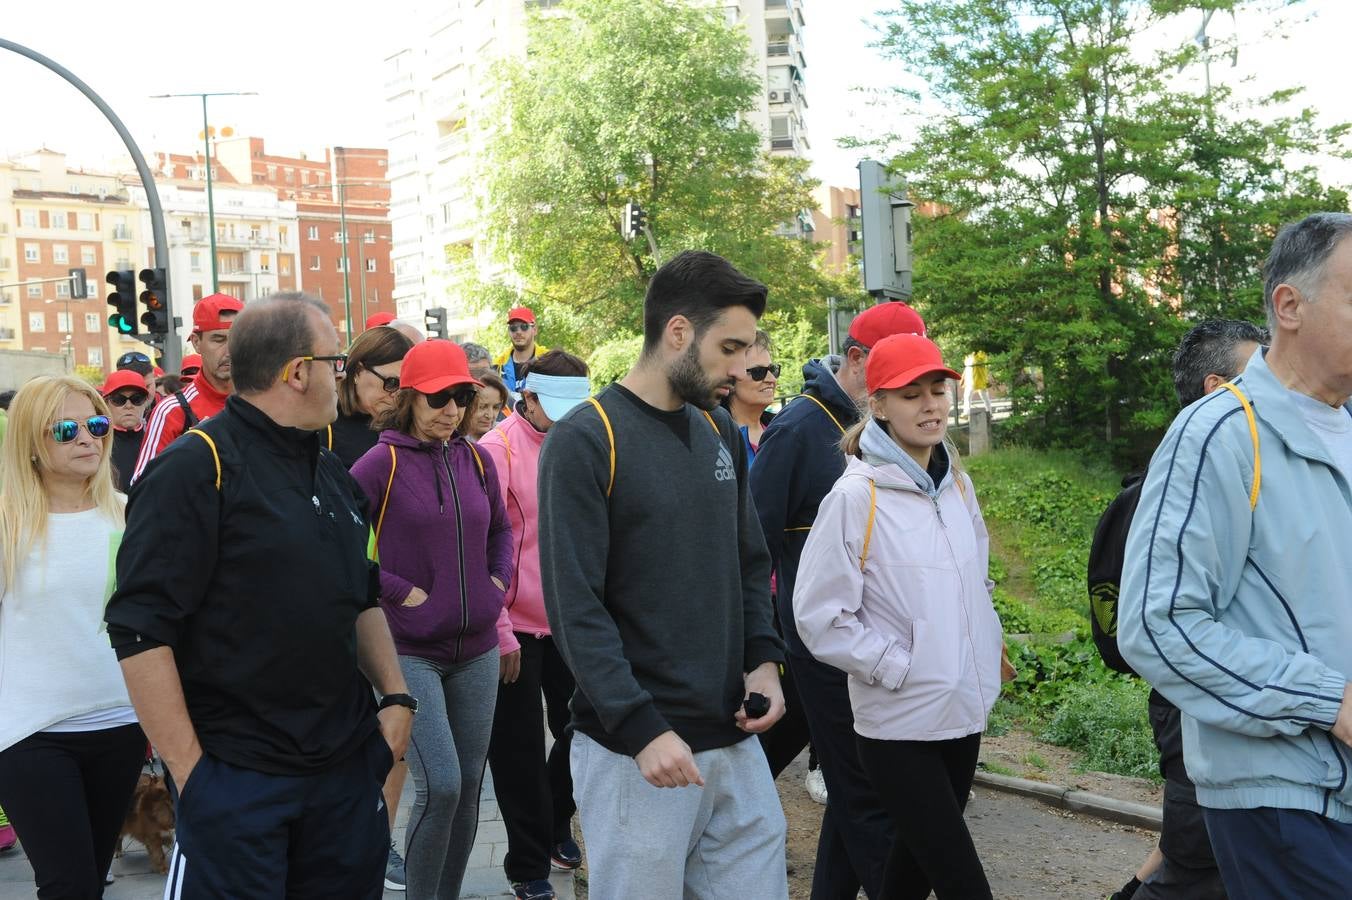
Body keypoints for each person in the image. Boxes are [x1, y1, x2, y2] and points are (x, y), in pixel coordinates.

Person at [105, 292, 414, 898]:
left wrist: (396, 697)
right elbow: (140, 629)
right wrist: (195, 779)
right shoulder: (196, 469)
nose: (343, 376)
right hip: (238, 783)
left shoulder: (328, 471)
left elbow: (363, 595)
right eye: (338, 362)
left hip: (343, 777)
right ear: (298, 372)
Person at [538, 250, 787, 899]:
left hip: (734, 741)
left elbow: (748, 562)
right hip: (636, 755)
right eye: (729, 348)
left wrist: (763, 661)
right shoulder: (587, 439)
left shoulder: (718, 429)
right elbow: (575, 607)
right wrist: (640, 728)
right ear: (678, 332)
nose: (741, 368)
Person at [1120, 212, 1352, 900]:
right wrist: (1328, 700)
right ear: (1289, 306)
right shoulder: (1217, 434)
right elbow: (1158, 623)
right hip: (1280, 796)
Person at [792, 333, 1002, 900]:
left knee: (908, 878)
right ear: (879, 404)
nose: (932, 405)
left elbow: (975, 582)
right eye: (912, 395)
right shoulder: (855, 496)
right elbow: (817, 616)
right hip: (899, 725)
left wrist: (987, 641)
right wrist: (893, 665)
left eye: (938, 390)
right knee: (963, 883)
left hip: (962, 712)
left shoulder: (958, 483)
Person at [749, 300, 925, 899]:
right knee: (865, 793)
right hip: (818, 643)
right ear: (856, 361)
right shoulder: (800, 427)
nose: (918, 392)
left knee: (852, 790)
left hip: (861, 643)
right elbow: (753, 537)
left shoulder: (874, 431)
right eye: (900, 376)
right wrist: (764, 644)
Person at [1092, 319, 1265, 900]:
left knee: (1201, 853)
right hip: (1193, 708)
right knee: (1199, 863)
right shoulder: (1153, 498)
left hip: (1256, 706)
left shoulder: (1265, 480)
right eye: (1258, 375)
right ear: (1218, 389)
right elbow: (1121, 630)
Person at [350, 338, 513, 900]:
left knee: (468, 789)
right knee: (440, 785)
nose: (452, 410)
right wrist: (401, 592)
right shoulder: (381, 463)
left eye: (462, 397)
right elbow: (342, 549)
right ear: (409, 398)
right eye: (439, 397)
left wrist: (497, 582)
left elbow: (501, 530)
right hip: (409, 650)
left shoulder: (476, 457)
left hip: (477, 648)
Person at [0, 375, 147, 898]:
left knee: (90, 880)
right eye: (66, 429)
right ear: (31, 445)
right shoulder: (8, 523)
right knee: (68, 887)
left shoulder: (132, 515)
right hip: (32, 733)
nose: (87, 438)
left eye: (97, 425)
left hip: (122, 725)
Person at [480, 351, 592, 900]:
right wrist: (498, 628)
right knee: (517, 749)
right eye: (556, 407)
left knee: (586, 731)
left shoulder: (589, 440)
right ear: (526, 397)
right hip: (514, 626)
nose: (567, 418)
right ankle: (528, 866)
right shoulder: (493, 451)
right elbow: (483, 548)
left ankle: (555, 819)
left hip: (576, 621)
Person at [131, 293, 243, 482]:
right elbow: (143, 487)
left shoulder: (265, 404)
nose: (229, 351)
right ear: (196, 343)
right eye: (218, 339)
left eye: (237, 339)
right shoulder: (172, 412)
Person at [332, 325, 416, 469]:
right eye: (392, 383)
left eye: (407, 387)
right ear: (358, 372)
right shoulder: (324, 427)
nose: (398, 395)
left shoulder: (410, 426)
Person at [722, 328, 779, 460]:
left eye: (773, 369)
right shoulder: (716, 436)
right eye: (758, 371)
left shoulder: (783, 429)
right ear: (731, 376)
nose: (771, 379)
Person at [101, 369, 151, 492]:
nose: (128, 405)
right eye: (119, 399)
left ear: (145, 403)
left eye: (136, 399)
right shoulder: (97, 444)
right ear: (106, 403)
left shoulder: (156, 441)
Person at [495, 307, 548, 394]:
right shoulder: (497, 365)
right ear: (509, 331)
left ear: (534, 330)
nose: (518, 332)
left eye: (524, 326)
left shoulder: (548, 361)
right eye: (513, 328)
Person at [462, 372, 510, 442]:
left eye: (495, 407)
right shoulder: (451, 442)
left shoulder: (507, 436)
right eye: (482, 407)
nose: (490, 415)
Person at [962, 350, 993, 419]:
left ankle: (989, 413)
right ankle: (966, 413)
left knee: (984, 397)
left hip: (979, 379)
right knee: (967, 397)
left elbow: (981, 361)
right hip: (970, 380)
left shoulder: (981, 354)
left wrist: (974, 356)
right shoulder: (968, 356)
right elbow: (966, 367)